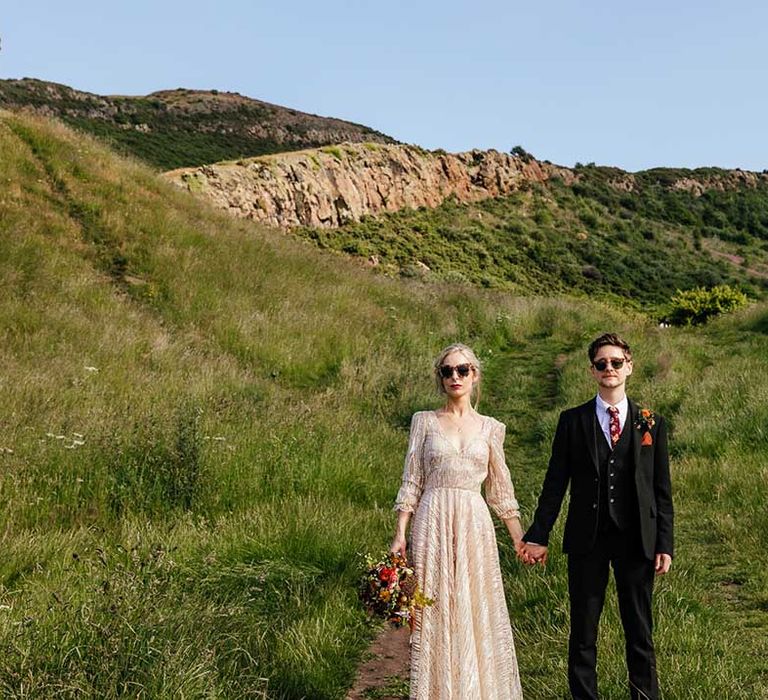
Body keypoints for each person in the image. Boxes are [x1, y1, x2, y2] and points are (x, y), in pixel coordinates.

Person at [520, 333, 674, 700]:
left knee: (639, 630)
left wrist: (664, 542)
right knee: (583, 632)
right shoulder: (572, 421)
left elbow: (661, 489)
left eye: (616, 363)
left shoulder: (651, 422)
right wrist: (539, 534)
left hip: (637, 539)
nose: (609, 369)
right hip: (587, 539)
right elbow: (555, 483)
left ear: (629, 367)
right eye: (602, 364)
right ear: (592, 371)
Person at [391, 343, 524, 699]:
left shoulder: (492, 429)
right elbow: (411, 479)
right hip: (432, 520)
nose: (455, 376)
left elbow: (500, 490)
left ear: (474, 375)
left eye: (462, 370)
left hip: (474, 524)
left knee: (474, 605)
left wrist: (518, 540)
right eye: (447, 371)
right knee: (435, 609)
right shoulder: (423, 421)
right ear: (440, 378)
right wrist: (400, 533)